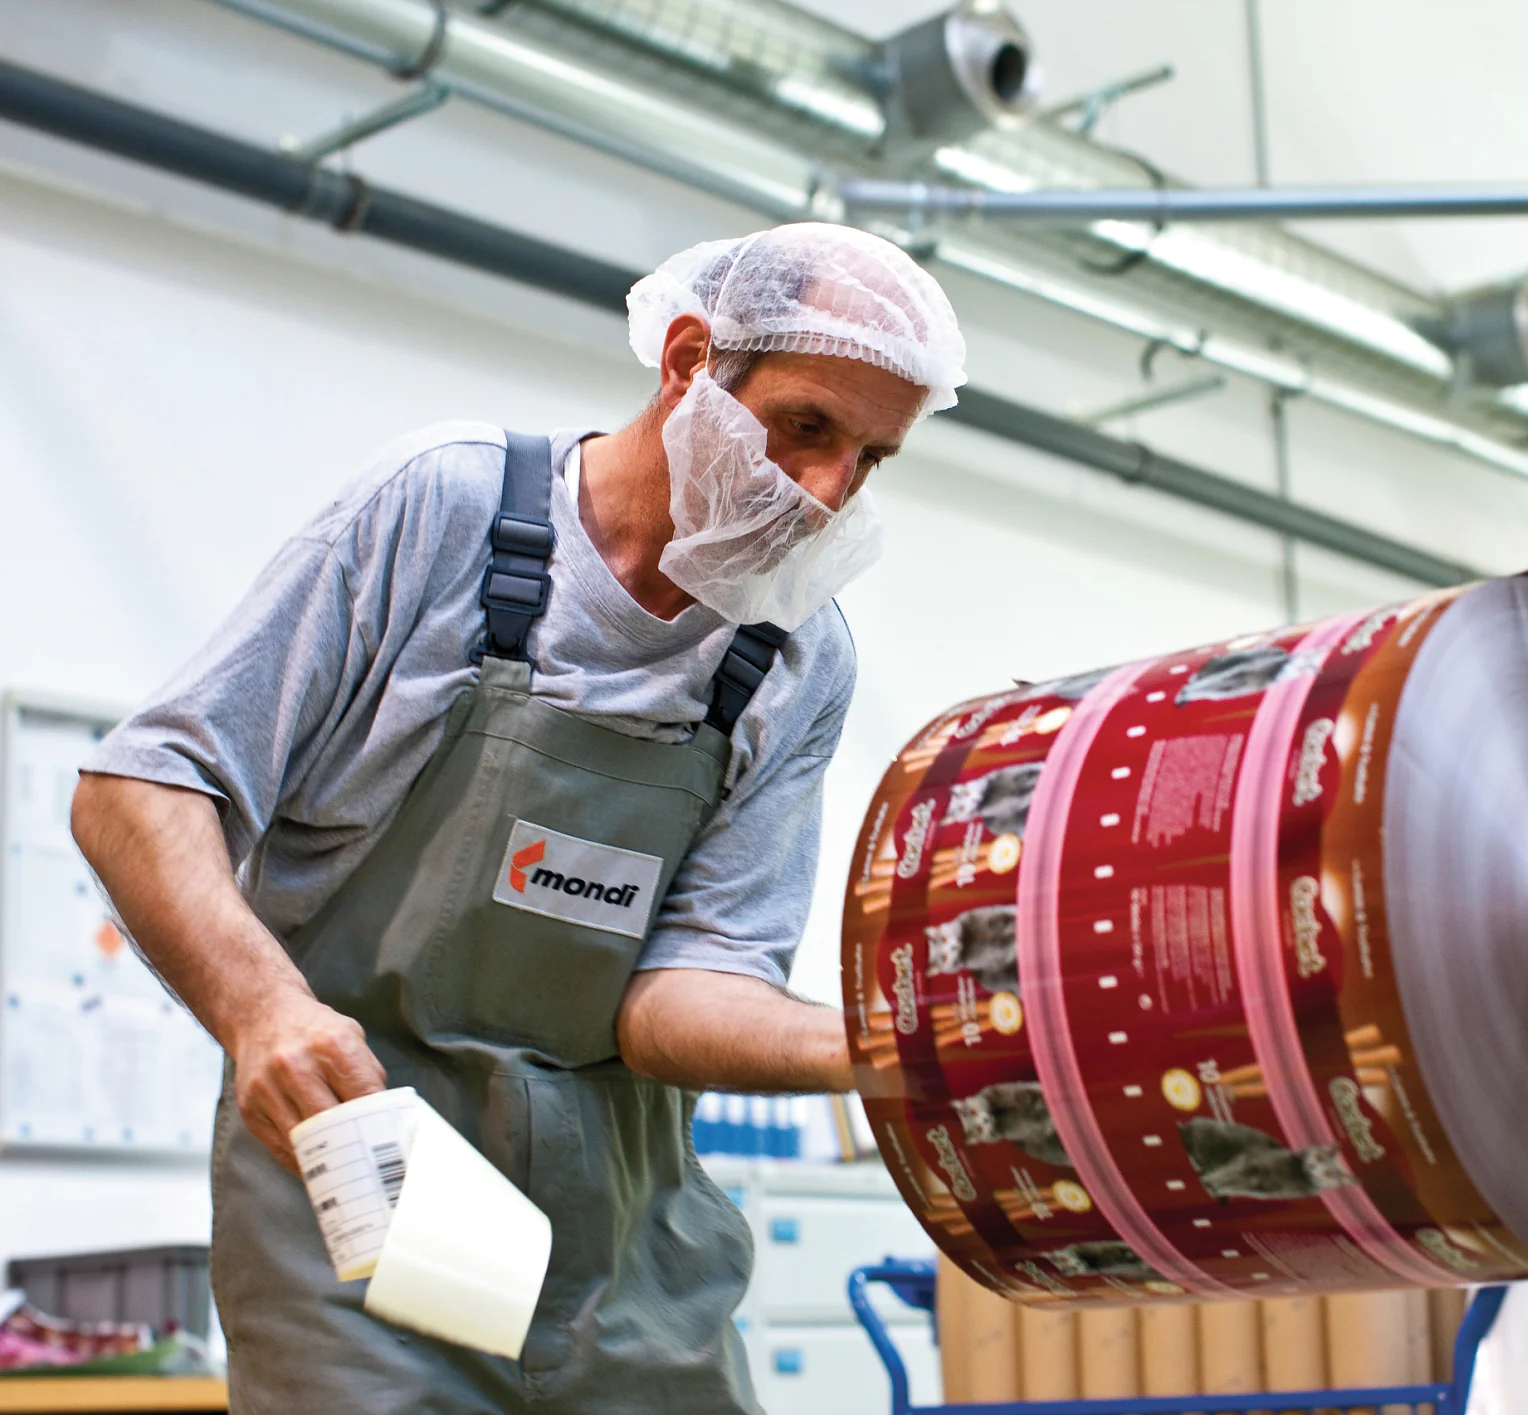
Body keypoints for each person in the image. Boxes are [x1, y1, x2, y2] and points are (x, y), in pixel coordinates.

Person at [69, 222, 967, 1414]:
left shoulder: (796, 657)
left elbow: (676, 996)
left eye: (869, 458)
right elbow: (142, 785)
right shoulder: (445, 510)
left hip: (627, 1251)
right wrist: (259, 1006)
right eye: (805, 425)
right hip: (366, 1226)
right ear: (689, 362)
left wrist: (887, 1046)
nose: (826, 492)